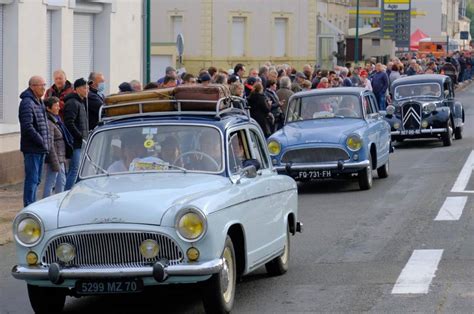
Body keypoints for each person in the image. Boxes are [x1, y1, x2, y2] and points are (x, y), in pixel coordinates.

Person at [19, 76, 50, 206]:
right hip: (32, 148)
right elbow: (27, 126)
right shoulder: (27, 102)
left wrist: (45, 142)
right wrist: (41, 140)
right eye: (41, 85)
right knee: (31, 179)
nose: (44, 87)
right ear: (32, 86)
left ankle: (33, 204)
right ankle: (29, 206)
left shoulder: (39, 101)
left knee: (37, 179)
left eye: (44, 84)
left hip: (40, 147)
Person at [43, 97, 72, 198]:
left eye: (58, 105)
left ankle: (59, 201)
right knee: (51, 182)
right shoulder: (49, 123)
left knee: (62, 181)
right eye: (56, 105)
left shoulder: (56, 120)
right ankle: (45, 203)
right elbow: (50, 144)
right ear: (48, 108)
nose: (58, 108)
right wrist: (54, 161)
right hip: (55, 158)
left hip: (60, 157)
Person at [64, 78, 89, 190]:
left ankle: (76, 192)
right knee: (74, 170)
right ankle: (67, 193)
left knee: (79, 170)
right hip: (76, 143)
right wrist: (79, 135)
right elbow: (69, 123)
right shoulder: (73, 103)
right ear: (77, 89)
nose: (87, 90)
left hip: (81, 142)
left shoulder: (81, 102)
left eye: (87, 87)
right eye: (84, 88)